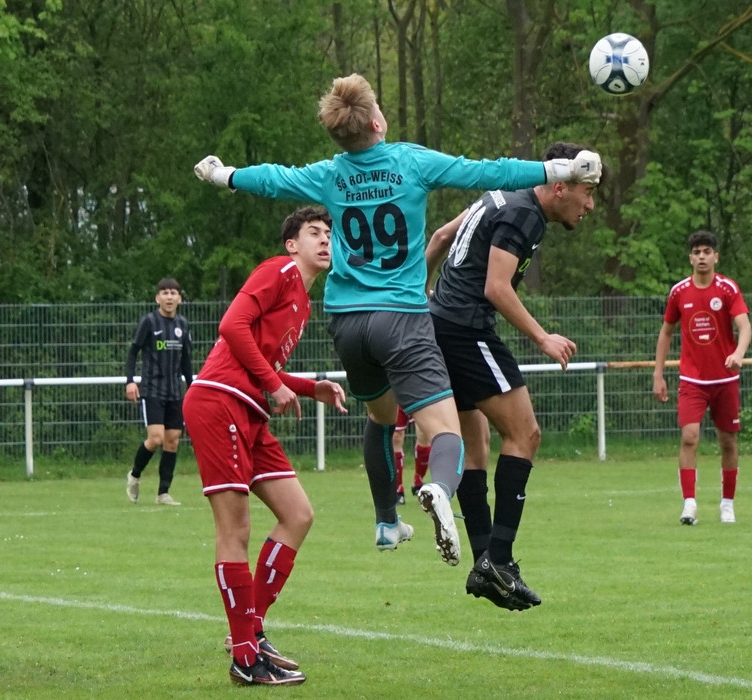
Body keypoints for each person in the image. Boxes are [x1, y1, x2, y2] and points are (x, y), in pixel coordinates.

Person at [193, 73, 601, 567]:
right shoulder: (410, 161)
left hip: (346, 321)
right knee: (447, 431)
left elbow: (273, 178)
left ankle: (387, 521)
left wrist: (223, 175)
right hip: (401, 317)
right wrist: (558, 166)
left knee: (382, 418)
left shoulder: (331, 174)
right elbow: (487, 172)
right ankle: (436, 491)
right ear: (377, 121)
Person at [424, 141, 603, 611]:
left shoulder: (500, 193)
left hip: (440, 323)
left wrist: (419, 297)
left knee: (475, 445)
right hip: (465, 329)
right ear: (559, 186)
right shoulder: (526, 212)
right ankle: (499, 561)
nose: (590, 205)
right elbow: (496, 287)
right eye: (587, 193)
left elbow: (442, 236)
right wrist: (543, 337)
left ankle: (485, 559)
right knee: (525, 433)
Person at [182, 206, 347, 687]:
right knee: (236, 529)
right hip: (219, 401)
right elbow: (232, 327)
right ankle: (244, 656)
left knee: (298, 514)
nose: (324, 241)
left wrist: (307, 385)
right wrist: (276, 386)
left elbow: (263, 361)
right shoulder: (278, 271)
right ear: (292, 244)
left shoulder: (304, 301)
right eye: (313, 233)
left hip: (249, 411)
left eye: (329, 235)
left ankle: (250, 632)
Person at [652, 230, 752, 526]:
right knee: (689, 437)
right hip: (692, 381)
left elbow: (745, 327)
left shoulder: (728, 289)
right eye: (696, 252)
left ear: (716, 256)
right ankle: (689, 505)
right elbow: (666, 332)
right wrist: (658, 373)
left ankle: (727, 504)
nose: (702, 257)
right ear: (690, 258)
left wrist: (738, 354)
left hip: (725, 380)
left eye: (707, 251)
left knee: (728, 442)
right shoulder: (679, 292)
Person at [125, 278, 193, 506]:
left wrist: (192, 388)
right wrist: (130, 381)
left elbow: (186, 361)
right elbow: (133, 351)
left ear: (179, 298)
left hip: (175, 391)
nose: (169, 296)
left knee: (172, 441)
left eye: (173, 292)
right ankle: (134, 475)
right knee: (156, 438)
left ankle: (163, 493)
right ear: (158, 298)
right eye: (165, 292)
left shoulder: (182, 325)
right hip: (153, 389)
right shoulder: (149, 322)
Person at [392, 407, 430, 506]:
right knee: (396, 435)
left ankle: (418, 482)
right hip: (396, 394)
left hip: (420, 393)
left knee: (424, 432)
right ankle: (397, 489)